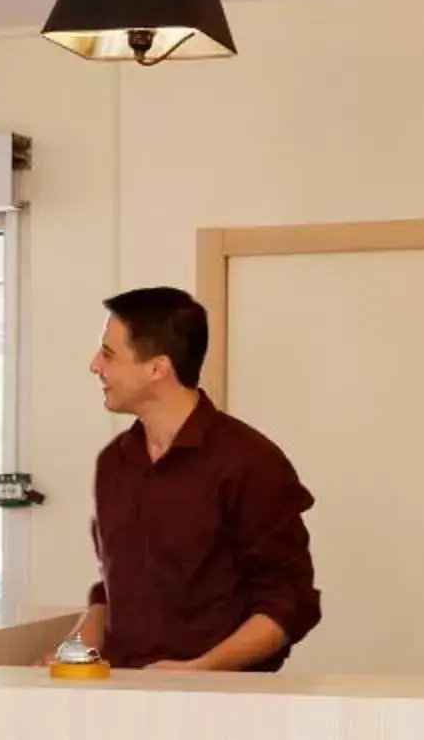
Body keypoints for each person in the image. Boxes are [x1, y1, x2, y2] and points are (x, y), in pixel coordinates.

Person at [66, 286, 320, 672]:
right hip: (122, 701)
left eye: (109, 353)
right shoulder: (114, 464)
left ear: (157, 368)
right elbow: (111, 589)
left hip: (221, 708)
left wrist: (201, 670)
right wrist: (73, 654)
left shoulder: (250, 462)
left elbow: (288, 602)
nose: (94, 365)